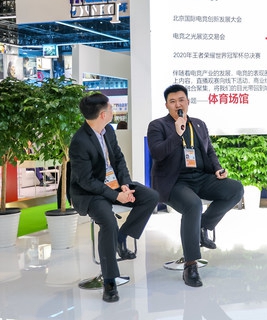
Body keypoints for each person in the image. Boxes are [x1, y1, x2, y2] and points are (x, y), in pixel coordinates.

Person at [147, 84, 244, 288]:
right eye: (172, 101)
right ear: (166, 105)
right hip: (174, 181)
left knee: (235, 189)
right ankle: (190, 265)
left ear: (188, 102)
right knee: (193, 205)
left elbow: (209, 151)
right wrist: (177, 134)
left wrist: (217, 169)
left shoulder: (198, 124)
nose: (177, 104)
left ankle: (203, 225)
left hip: (201, 177)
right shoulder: (157, 126)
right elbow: (157, 153)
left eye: (181, 100)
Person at [69, 93, 159, 303]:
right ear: (103, 114)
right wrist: (116, 195)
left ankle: (121, 238)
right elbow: (86, 181)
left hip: (115, 185)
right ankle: (109, 281)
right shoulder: (79, 141)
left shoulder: (108, 130)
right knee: (108, 222)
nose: (113, 110)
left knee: (151, 197)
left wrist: (125, 184)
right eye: (110, 108)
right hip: (91, 193)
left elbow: (118, 159)